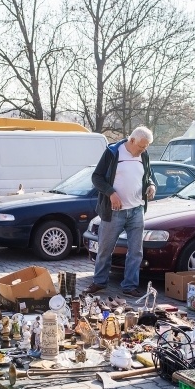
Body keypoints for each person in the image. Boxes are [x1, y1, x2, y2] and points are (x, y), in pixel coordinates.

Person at [84, 126, 155, 297]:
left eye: (146, 147)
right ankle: (99, 282)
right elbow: (96, 178)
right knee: (105, 249)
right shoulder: (112, 152)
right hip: (114, 211)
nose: (143, 150)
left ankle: (129, 286)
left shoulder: (143, 155)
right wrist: (111, 193)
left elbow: (149, 176)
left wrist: (151, 186)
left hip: (137, 210)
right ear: (132, 140)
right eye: (141, 146)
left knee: (136, 251)